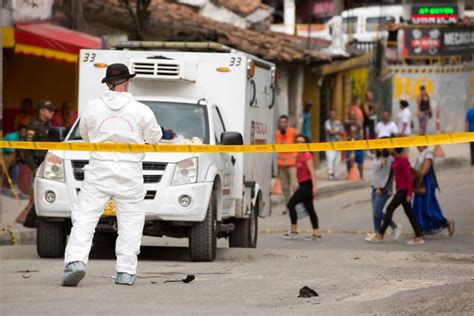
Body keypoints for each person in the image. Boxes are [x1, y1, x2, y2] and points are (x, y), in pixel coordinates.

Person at [62, 63, 165, 287]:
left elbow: (85, 135)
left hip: (99, 171)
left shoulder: (92, 107)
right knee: (130, 222)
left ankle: (76, 262)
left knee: (85, 218)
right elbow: (155, 137)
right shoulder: (140, 110)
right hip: (129, 174)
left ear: (108, 83)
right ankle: (126, 273)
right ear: (127, 82)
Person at [366, 148, 424, 245]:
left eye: (390, 146)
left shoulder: (403, 159)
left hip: (404, 190)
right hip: (400, 189)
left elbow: (409, 177)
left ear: (394, 149)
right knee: (409, 213)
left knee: (389, 209)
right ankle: (419, 236)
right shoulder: (395, 159)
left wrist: (410, 193)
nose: (387, 148)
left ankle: (380, 234)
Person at [15, 101, 57, 226]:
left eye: (52, 110)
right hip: (38, 164)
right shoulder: (33, 126)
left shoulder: (49, 124)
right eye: (49, 110)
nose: (52, 112)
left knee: (45, 191)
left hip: (48, 162)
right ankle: (30, 220)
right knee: (40, 191)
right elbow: (26, 149)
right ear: (41, 111)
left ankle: (32, 220)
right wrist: (33, 167)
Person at [283, 135, 320, 241]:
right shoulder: (298, 155)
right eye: (297, 141)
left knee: (291, 204)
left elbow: (312, 172)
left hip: (307, 186)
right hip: (302, 185)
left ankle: (294, 230)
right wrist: (296, 182)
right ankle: (316, 233)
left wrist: (315, 187)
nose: (299, 143)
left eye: (302, 142)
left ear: (305, 144)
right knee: (310, 209)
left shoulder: (307, 155)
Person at [412, 146, 455, 236]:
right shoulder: (421, 154)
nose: (417, 146)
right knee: (417, 207)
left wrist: (418, 178)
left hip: (426, 183)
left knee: (427, 208)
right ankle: (422, 229)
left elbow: (425, 170)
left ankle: (446, 222)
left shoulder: (428, 153)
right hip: (419, 183)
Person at [365, 147, 401, 241]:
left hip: (383, 190)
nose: (380, 147)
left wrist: (382, 188)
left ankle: (395, 226)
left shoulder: (389, 159)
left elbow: (389, 176)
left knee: (377, 212)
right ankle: (377, 233)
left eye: (382, 145)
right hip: (374, 187)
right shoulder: (376, 158)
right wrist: (375, 186)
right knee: (375, 213)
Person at [275, 115, 297, 214]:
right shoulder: (277, 134)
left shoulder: (293, 132)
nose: (283, 124)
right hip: (281, 165)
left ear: (287, 123)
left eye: (285, 122)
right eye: (281, 122)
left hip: (292, 164)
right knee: (285, 188)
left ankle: (297, 206)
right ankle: (289, 207)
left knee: (294, 186)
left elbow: (301, 140)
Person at [345, 110, 364, 179]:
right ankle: (349, 174)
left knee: (360, 160)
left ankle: (361, 175)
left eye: (354, 115)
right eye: (351, 115)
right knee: (348, 160)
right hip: (349, 143)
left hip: (358, 143)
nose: (352, 116)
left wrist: (354, 121)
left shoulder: (358, 122)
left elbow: (360, 125)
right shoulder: (347, 122)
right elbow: (346, 122)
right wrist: (352, 121)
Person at [324, 110, 343, 180]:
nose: (333, 116)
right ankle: (330, 174)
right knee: (330, 159)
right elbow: (330, 132)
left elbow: (341, 132)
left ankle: (335, 174)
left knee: (337, 160)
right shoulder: (327, 122)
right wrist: (337, 132)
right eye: (331, 114)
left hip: (338, 144)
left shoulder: (339, 123)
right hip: (329, 143)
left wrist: (335, 132)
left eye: (334, 114)